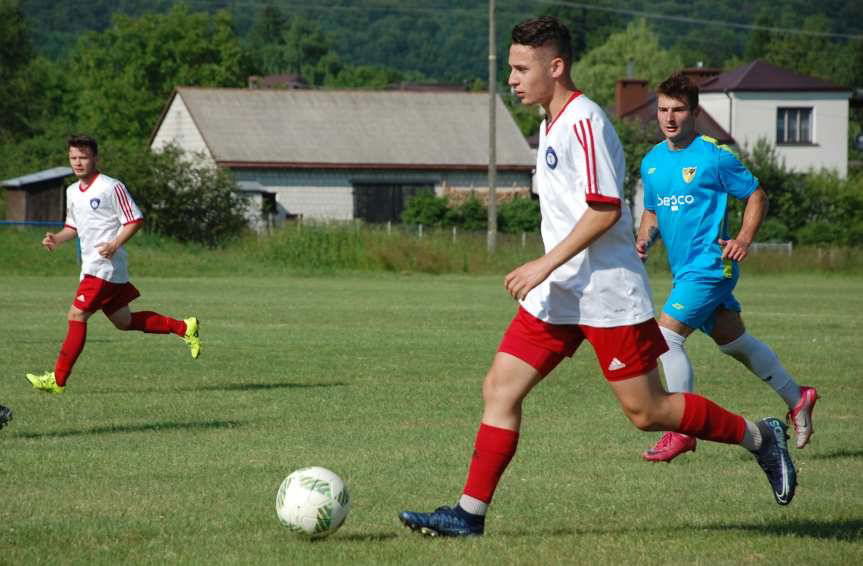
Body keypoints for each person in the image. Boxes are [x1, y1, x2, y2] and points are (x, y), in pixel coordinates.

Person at [398, 17, 797, 538]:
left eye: (521, 68)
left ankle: (760, 437)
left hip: (606, 294)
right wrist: (551, 274)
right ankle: (468, 515)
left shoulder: (585, 120)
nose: (512, 79)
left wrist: (543, 262)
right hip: (558, 295)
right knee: (500, 389)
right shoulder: (548, 122)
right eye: (511, 68)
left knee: (648, 411)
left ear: (555, 66)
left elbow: (605, 210)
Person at [635, 73, 818, 462]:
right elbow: (651, 212)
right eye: (663, 109)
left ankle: (681, 431)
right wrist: (643, 241)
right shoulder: (652, 162)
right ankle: (797, 396)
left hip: (711, 266)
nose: (669, 118)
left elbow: (756, 195)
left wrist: (744, 239)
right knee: (734, 343)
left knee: (665, 338)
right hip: (685, 270)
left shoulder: (714, 155)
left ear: (695, 112)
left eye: (678, 110)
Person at [25, 135, 201, 394]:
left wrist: (114, 244)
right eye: (73, 157)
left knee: (76, 315)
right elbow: (72, 226)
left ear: (95, 158)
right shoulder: (72, 191)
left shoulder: (111, 187)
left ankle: (58, 380)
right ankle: (184, 327)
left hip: (104, 268)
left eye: (83, 157)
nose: (78, 162)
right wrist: (57, 238)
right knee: (124, 321)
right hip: (95, 268)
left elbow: (134, 219)